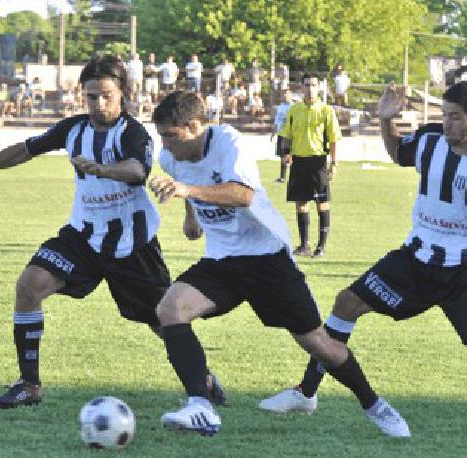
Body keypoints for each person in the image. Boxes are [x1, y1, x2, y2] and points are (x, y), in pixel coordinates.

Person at [258, 81, 467, 444]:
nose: (446, 124)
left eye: (455, 118)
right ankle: (306, 393)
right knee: (347, 302)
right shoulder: (430, 140)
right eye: (444, 115)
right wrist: (386, 121)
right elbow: (399, 151)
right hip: (417, 256)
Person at [0, 55, 227, 411]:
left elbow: (136, 170)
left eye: (106, 96)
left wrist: (100, 169)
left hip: (132, 244)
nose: (98, 104)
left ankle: (202, 379)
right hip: (82, 236)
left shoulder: (133, 133)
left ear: (123, 95)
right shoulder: (73, 129)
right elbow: (27, 149)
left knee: (163, 318)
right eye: (91, 96)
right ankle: (29, 384)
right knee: (29, 285)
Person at [146, 91, 410, 438]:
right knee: (170, 310)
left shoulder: (227, 141)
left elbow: (244, 194)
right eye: (161, 135)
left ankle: (374, 404)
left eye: (170, 135)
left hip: (266, 259)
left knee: (318, 343)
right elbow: (186, 181)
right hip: (221, 260)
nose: (164, 144)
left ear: (194, 126)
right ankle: (201, 406)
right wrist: (190, 215)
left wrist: (188, 192)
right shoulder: (170, 158)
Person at [278, 73, 340, 258]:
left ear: (319, 87)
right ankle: (304, 245)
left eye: (313, 84)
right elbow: (286, 134)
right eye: (307, 85)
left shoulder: (326, 110)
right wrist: (286, 153)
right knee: (301, 203)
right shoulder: (294, 110)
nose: (310, 88)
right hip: (299, 161)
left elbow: (334, 138)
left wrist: (334, 163)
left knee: (322, 203)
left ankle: (321, 247)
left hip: (318, 161)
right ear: (302, 87)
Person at [272, 88, 295, 183]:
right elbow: (277, 120)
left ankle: (294, 176)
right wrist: (274, 132)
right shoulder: (280, 107)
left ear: (291, 95)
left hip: (289, 135)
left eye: (287, 94)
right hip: (281, 134)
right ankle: (282, 177)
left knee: (290, 156)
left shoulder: (293, 107)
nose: (285, 96)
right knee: (282, 156)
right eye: (283, 94)